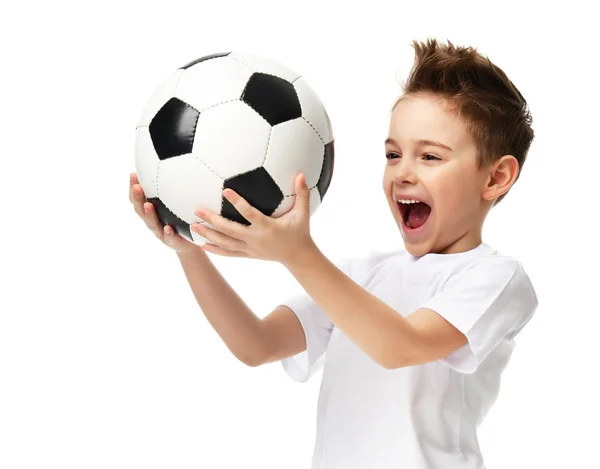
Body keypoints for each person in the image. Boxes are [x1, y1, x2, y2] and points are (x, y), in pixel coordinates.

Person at [128, 37, 539, 469]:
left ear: (496, 178)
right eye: (393, 154)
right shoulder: (362, 276)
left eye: (430, 156)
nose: (402, 173)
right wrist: (188, 250)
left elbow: (399, 346)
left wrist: (297, 253)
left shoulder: (495, 278)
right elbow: (256, 345)